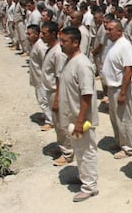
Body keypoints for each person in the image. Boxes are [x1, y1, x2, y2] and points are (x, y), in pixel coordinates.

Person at [58, 27, 99, 202]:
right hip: (72, 117)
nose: (61, 44)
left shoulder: (82, 64)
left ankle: (89, 187)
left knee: (86, 151)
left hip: (80, 119)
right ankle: (84, 177)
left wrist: (81, 120)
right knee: (79, 150)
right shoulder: (69, 61)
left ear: (76, 43)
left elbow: (86, 94)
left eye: (65, 41)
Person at [40, 21, 73, 166]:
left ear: (54, 34)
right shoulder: (50, 49)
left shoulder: (58, 53)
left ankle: (68, 153)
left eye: (45, 33)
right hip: (50, 91)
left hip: (56, 92)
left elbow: (60, 76)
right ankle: (61, 147)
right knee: (57, 123)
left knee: (62, 123)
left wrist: (57, 99)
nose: (42, 36)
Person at [101, 19, 132, 159]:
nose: (107, 32)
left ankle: (128, 148)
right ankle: (119, 141)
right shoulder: (111, 44)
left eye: (110, 30)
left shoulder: (125, 45)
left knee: (123, 119)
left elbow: (128, 70)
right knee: (114, 118)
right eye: (107, 29)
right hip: (111, 87)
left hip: (120, 87)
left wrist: (122, 92)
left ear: (119, 31)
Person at [26, 24, 50, 131]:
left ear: (36, 35)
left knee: (44, 100)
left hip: (42, 78)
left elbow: (46, 62)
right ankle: (47, 116)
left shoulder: (40, 46)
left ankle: (50, 121)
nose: (27, 36)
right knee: (41, 99)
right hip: (37, 77)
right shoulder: (35, 45)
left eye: (29, 34)